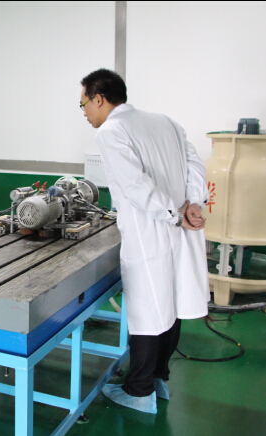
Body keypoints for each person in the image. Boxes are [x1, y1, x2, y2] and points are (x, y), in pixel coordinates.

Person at [79, 68, 209, 414]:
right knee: (172, 304)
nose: (85, 113)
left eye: (84, 105)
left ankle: (139, 391)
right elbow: (196, 166)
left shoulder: (111, 131)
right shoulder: (166, 122)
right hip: (180, 228)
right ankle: (158, 378)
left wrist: (173, 214)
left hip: (150, 232)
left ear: (99, 99)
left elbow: (136, 186)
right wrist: (193, 203)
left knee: (149, 311)